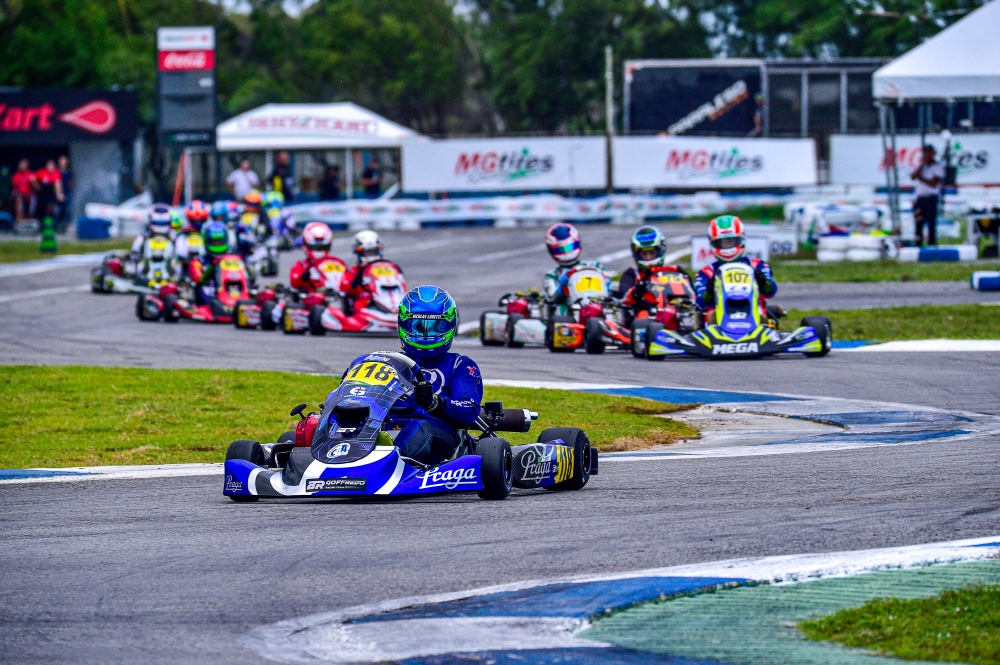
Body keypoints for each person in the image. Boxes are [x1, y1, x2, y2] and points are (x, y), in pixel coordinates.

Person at [386, 285, 482, 466]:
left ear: (450, 325)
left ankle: (387, 467)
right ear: (404, 324)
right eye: (419, 326)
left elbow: (469, 410)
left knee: (418, 428)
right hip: (388, 428)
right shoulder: (390, 362)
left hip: (437, 432)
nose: (426, 334)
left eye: (436, 326)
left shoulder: (460, 365)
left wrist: (435, 402)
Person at [693, 215, 776, 311]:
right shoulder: (706, 273)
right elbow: (700, 304)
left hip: (756, 316)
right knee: (709, 314)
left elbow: (771, 291)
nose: (728, 246)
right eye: (723, 243)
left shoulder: (757, 265)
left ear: (741, 239)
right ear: (713, 243)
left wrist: (763, 281)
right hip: (719, 321)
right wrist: (710, 291)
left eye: (732, 241)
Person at [615, 225, 690, 326]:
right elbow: (622, 300)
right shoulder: (632, 274)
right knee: (643, 316)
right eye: (644, 254)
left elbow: (692, 294)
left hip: (673, 311)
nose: (648, 258)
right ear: (636, 254)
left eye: (652, 253)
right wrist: (638, 290)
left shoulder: (676, 272)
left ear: (660, 251)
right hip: (647, 316)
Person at [542, 223, 602, 316]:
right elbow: (552, 299)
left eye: (570, 247)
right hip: (570, 312)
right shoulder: (552, 275)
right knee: (560, 308)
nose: (567, 253)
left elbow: (611, 291)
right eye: (561, 250)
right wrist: (563, 286)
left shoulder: (596, 266)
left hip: (597, 305)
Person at [188, 221, 236, 305]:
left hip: (232, 289)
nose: (217, 244)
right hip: (211, 290)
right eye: (214, 242)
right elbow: (198, 279)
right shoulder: (199, 261)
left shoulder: (233, 259)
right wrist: (212, 268)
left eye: (220, 241)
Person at [289, 222, 345, 293]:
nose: (318, 250)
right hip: (313, 298)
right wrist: (305, 275)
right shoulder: (301, 265)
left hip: (339, 296)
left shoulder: (338, 262)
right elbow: (295, 284)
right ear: (306, 244)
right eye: (314, 247)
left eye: (323, 247)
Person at [341, 230, 395, 301]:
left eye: (373, 252)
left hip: (385, 304)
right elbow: (344, 291)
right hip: (362, 307)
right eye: (367, 253)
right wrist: (358, 278)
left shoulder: (387, 270)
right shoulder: (353, 272)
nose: (371, 257)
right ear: (358, 253)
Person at [130, 204, 176, 282]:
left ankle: (171, 277)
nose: (160, 226)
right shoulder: (145, 236)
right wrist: (137, 254)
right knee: (135, 266)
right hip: (148, 263)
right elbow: (135, 249)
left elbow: (181, 251)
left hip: (168, 263)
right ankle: (142, 278)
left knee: (177, 265)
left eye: (163, 223)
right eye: (157, 223)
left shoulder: (173, 237)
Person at [911, 144, 945, 247]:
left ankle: (931, 243)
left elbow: (934, 183)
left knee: (931, 222)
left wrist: (921, 178)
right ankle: (918, 243)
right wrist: (922, 165)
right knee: (918, 222)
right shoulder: (921, 166)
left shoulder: (937, 167)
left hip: (931, 198)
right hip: (920, 198)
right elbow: (913, 176)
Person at [175, 199, 210, 269]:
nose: (198, 223)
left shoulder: (209, 234)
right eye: (195, 221)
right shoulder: (182, 236)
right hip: (187, 269)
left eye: (200, 220)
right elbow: (179, 254)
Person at [58, 155, 72, 227]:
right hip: (58, 193)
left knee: (67, 210)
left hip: (67, 192)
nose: (62, 161)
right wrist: (60, 193)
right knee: (58, 210)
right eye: (61, 160)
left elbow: (71, 182)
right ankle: (57, 226)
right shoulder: (57, 172)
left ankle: (66, 225)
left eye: (64, 160)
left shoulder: (69, 171)